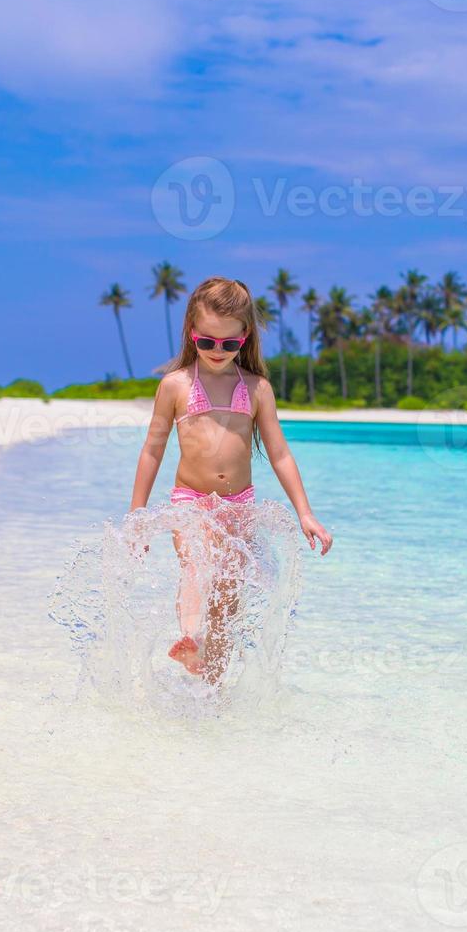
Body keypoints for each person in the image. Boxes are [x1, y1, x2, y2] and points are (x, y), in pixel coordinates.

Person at [129, 276, 332, 682]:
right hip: (191, 502)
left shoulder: (257, 389)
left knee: (227, 599)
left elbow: (280, 454)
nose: (217, 351)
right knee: (195, 567)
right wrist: (138, 512)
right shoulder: (175, 385)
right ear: (192, 333)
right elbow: (152, 450)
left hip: (239, 508)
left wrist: (305, 513)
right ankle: (188, 637)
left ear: (245, 337)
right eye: (207, 342)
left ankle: (212, 685)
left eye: (229, 343)